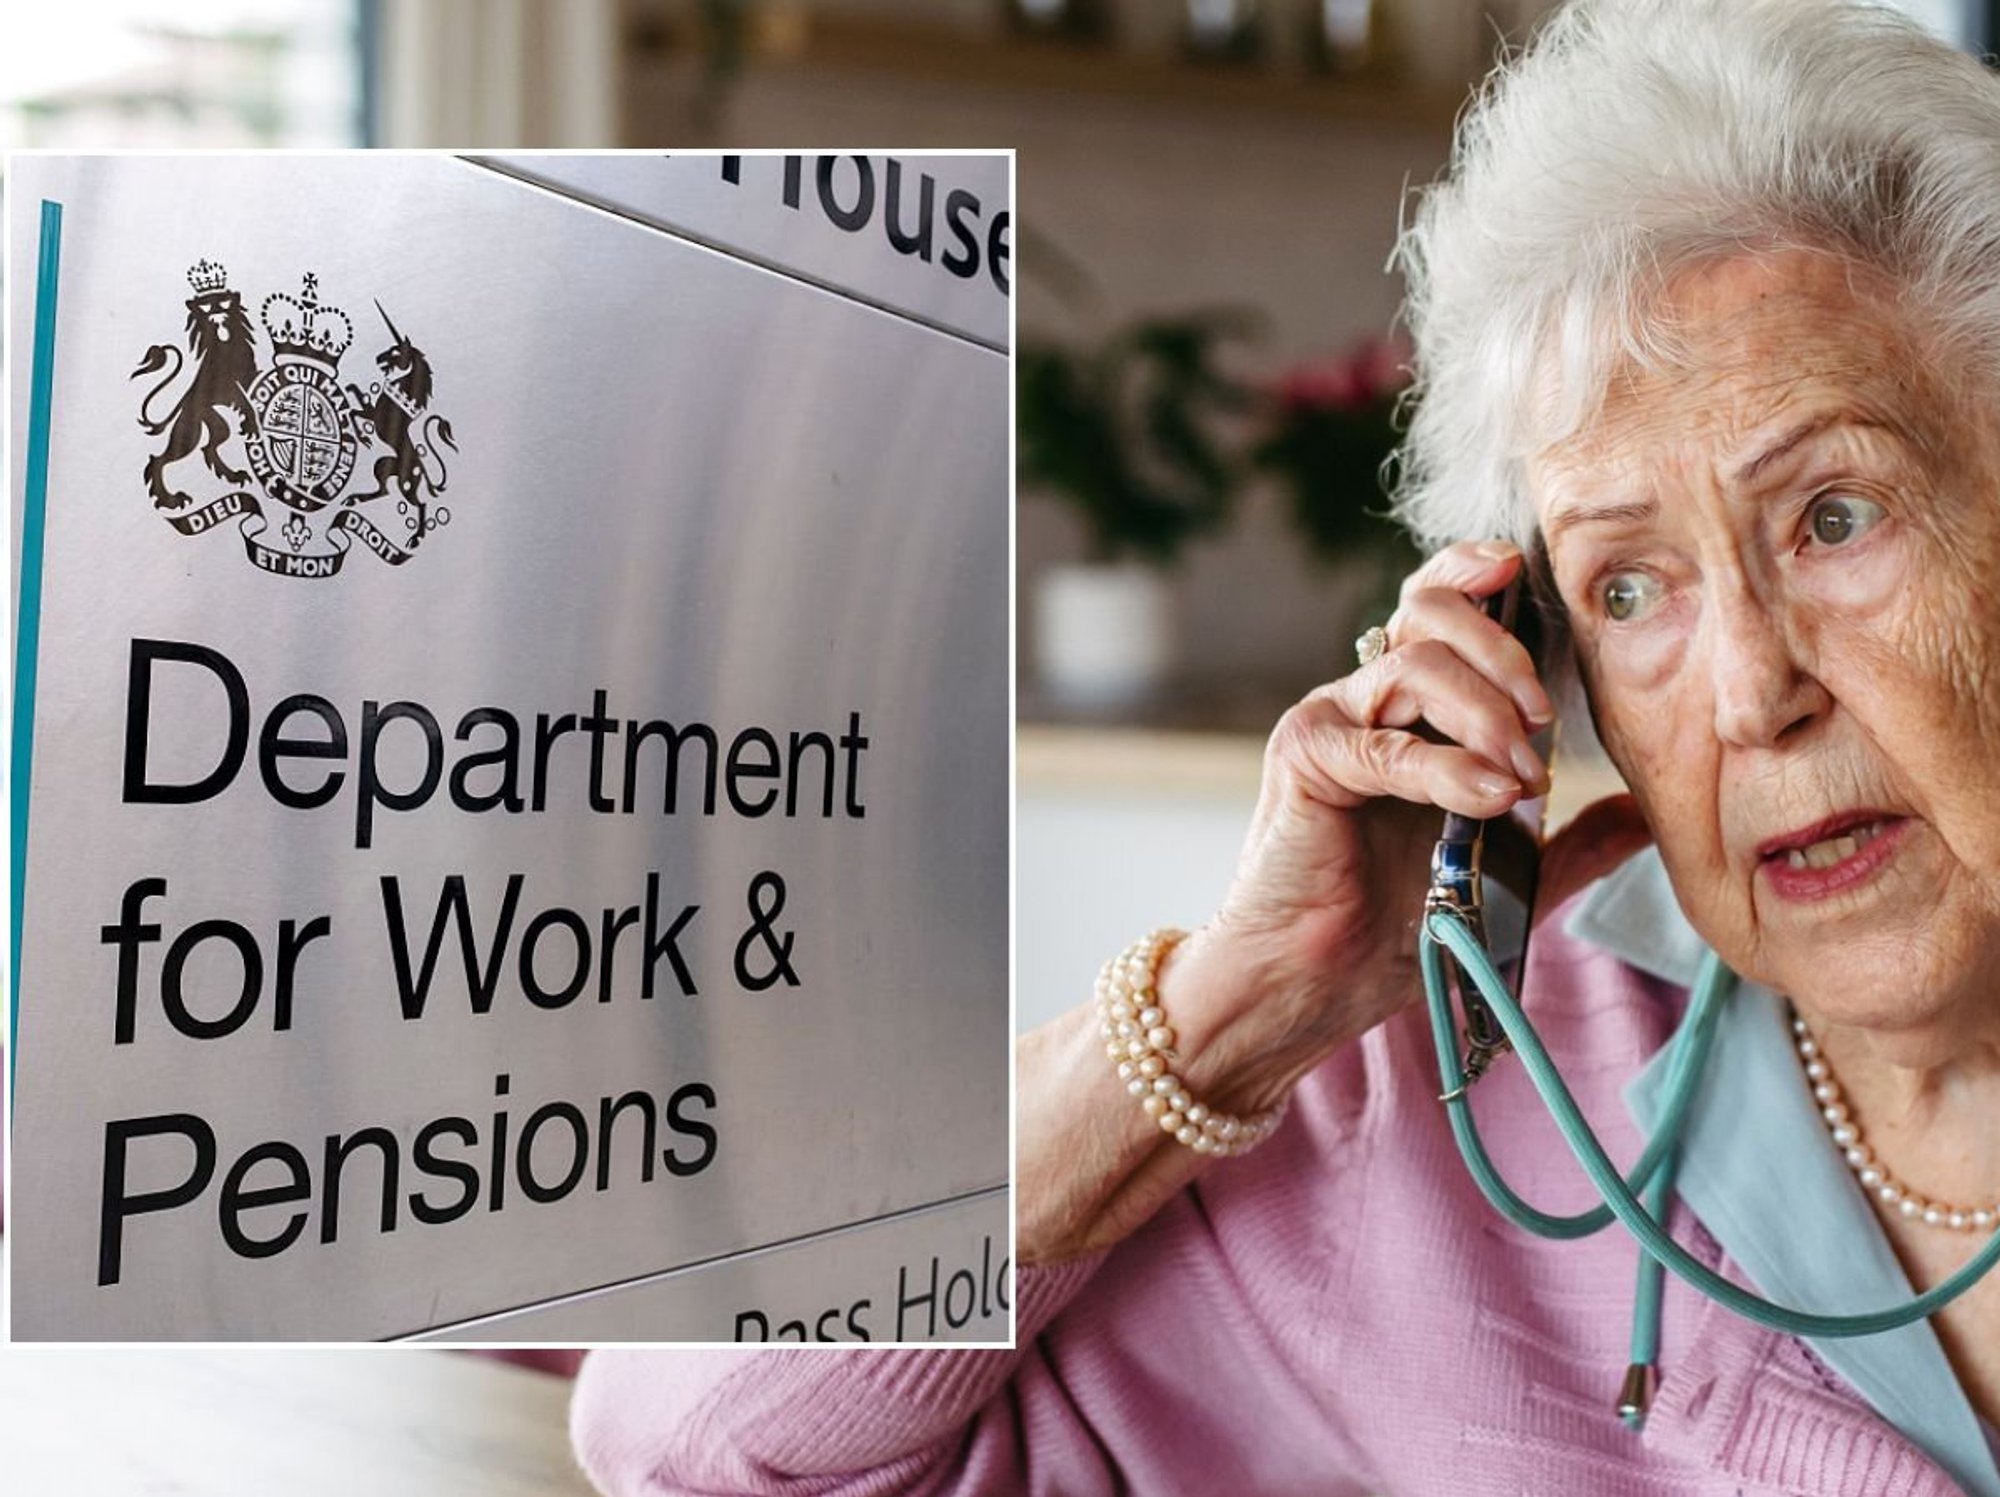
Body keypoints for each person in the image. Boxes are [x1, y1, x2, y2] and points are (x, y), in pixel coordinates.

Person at [571, 1, 2000, 1491]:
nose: (1748, 693)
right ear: (1542, 658)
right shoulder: (1466, 1111)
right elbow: (689, 1439)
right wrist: (1229, 1014)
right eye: (1629, 590)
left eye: (1837, 515)